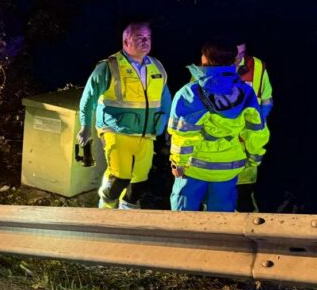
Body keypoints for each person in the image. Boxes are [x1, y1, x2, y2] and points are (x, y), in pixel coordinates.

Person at [78, 22, 171, 209]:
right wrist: (85, 126)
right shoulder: (109, 67)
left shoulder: (157, 67)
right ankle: (104, 213)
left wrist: (167, 127)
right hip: (116, 130)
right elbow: (88, 99)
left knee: (139, 181)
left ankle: (127, 217)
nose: (146, 42)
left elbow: (165, 99)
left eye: (148, 38)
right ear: (126, 41)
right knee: (119, 177)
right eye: (140, 38)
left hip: (146, 134)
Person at [168, 39, 269, 211]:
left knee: (182, 221)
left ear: (205, 59)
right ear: (233, 61)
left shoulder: (189, 92)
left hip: (193, 168)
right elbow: (256, 130)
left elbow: (183, 134)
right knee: (221, 222)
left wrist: (178, 163)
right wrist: (254, 158)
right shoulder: (246, 92)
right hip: (228, 168)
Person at [233, 40, 273, 211]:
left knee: (244, 195)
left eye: (242, 54)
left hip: (247, 144)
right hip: (216, 147)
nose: (238, 58)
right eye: (234, 54)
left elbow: (266, 100)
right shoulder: (210, 65)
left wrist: (258, 127)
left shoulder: (257, 66)